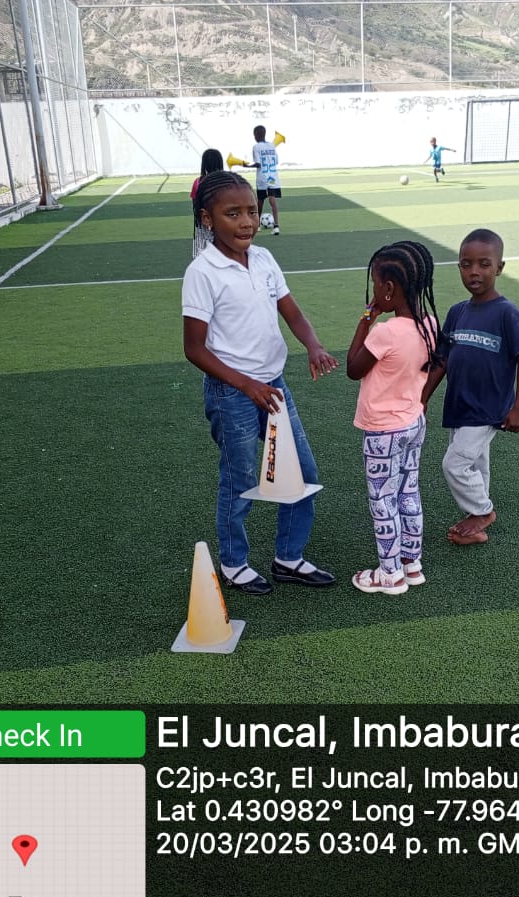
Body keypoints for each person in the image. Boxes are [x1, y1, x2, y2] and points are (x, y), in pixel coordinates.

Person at [182, 171, 338, 595]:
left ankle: (289, 557)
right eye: (232, 213)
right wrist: (246, 385)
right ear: (208, 219)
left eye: (252, 211)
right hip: (231, 393)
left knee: (301, 472)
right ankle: (234, 563)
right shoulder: (202, 272)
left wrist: (313, 345)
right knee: (242, 477)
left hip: (274, 387)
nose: (247, 222)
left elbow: (292, 312)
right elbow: (194, 349)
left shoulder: (265, 259)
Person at [421, 229, 519, 546]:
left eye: (484, 264)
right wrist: (423, 397)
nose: (474, 271)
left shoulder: (507, 313)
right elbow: (442, 360)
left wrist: (518, 408)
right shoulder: (457, 312)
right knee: (475, 461)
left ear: (499, 268)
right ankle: (478, 523)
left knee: (455, 463)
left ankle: (482, 512)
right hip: (459, 404)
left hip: (489, 407)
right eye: (466, 264)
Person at [346, 241, 442, 594]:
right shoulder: (429, 323)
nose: (373, 291)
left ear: (388, 288)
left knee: (382, 500)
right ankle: (411, 564)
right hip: (413, 422)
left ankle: (389, 575)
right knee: (408, 490)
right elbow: (438, 363)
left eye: (375, 284)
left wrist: (366, 319)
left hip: (383, 430)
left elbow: (353, 368)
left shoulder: (385, 331)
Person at [245, 125, 282, 235]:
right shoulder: (272, 146)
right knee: (272, 200)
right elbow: (276, 161)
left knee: (260, 201)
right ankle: (276, 226)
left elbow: (258, 164)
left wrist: (247, 166)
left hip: (263, 178)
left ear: (256, 135)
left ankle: (257, 226)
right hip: (273, 177)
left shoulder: (256, 147)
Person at [190, 148, 224, 257]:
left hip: (202, 224)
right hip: (221, 223)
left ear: (204, 164)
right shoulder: (225, 182)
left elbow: (194, 204)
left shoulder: (198, 182)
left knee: (201, 255)